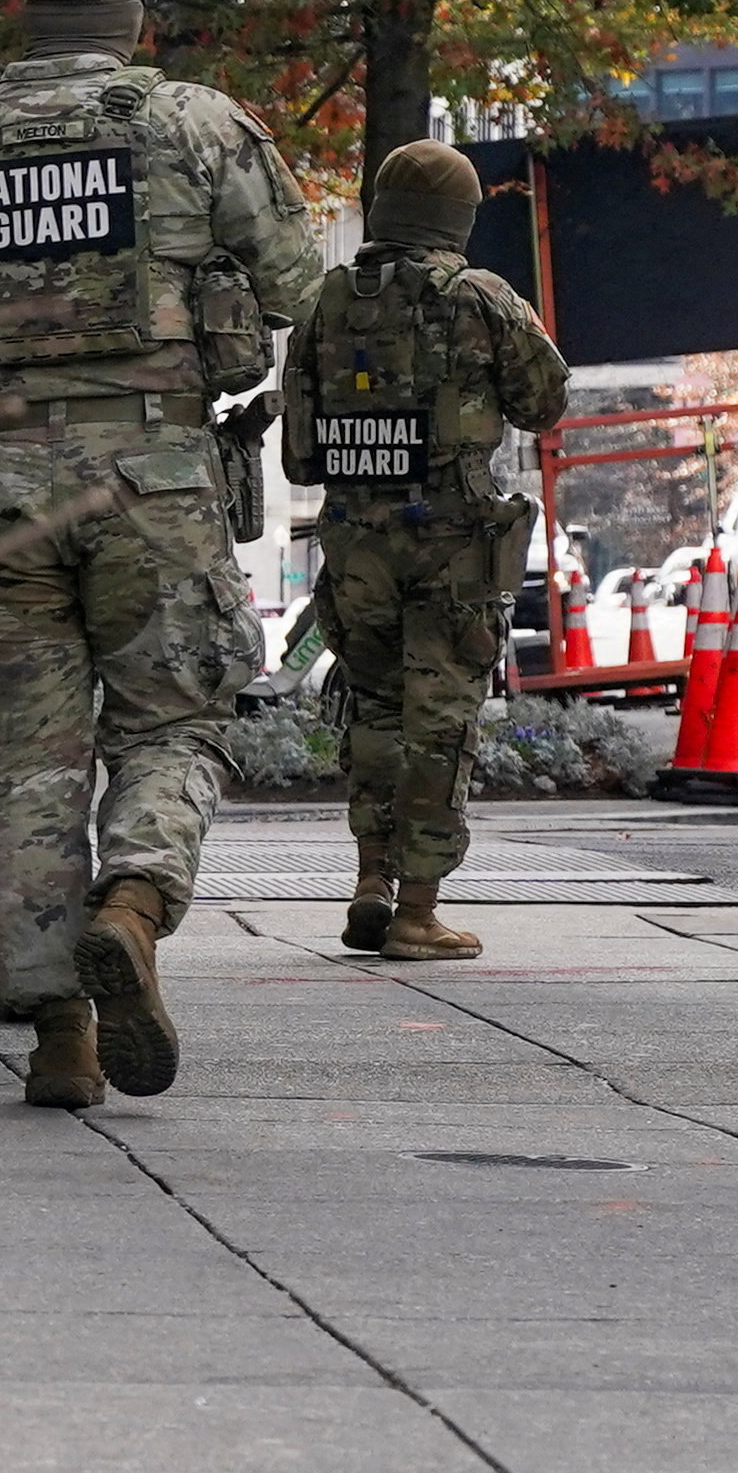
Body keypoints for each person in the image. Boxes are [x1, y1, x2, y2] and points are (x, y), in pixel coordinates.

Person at [0, 0, 324, 1107]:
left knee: (30, 756)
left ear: (28, 9)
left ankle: (57, 1029)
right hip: (152, 476)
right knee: (177, 715)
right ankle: (133, 899)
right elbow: (297, 289)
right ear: (130, 9)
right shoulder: (191, 123)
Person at [281, 140, 567, 960]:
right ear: (459, 218)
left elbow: (302, 454)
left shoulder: (328, 300)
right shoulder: (479, 295)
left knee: (372, 710)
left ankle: (369, 882)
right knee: (439, 723)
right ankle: (417, 911)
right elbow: (544, 399)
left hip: (357, 544)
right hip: (451, 543)